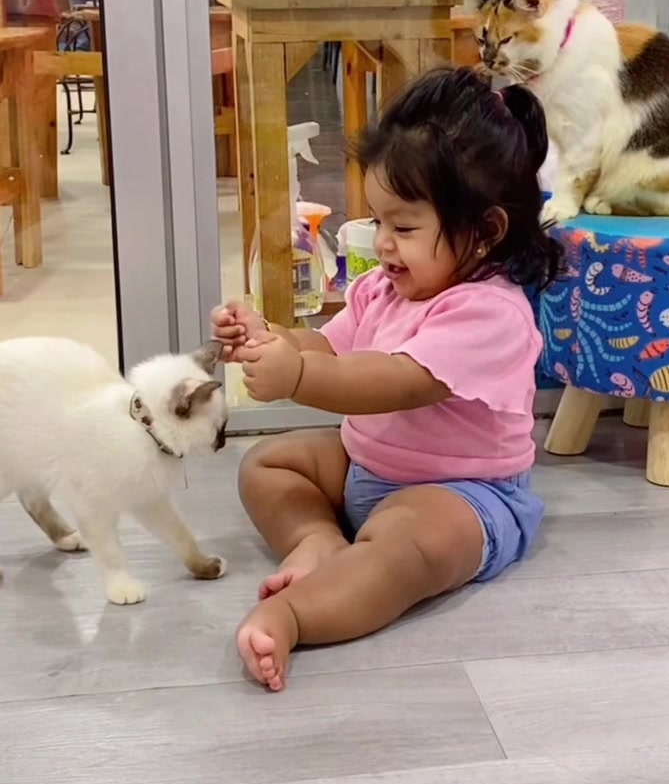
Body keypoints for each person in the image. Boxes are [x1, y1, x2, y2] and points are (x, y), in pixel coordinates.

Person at [212, 68, 562, 691]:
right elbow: (330, 344)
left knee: (402, 548)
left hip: (462, 494)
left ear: (486, 232)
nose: (383, 244)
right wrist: (273, 337)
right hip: (368, 464)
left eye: (404, 228)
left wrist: (297, 376)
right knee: (267, 464)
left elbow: (396, 380)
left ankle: (295, 615)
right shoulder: (382, 288)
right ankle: (319, 541)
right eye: (377, 221)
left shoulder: (491, 313)